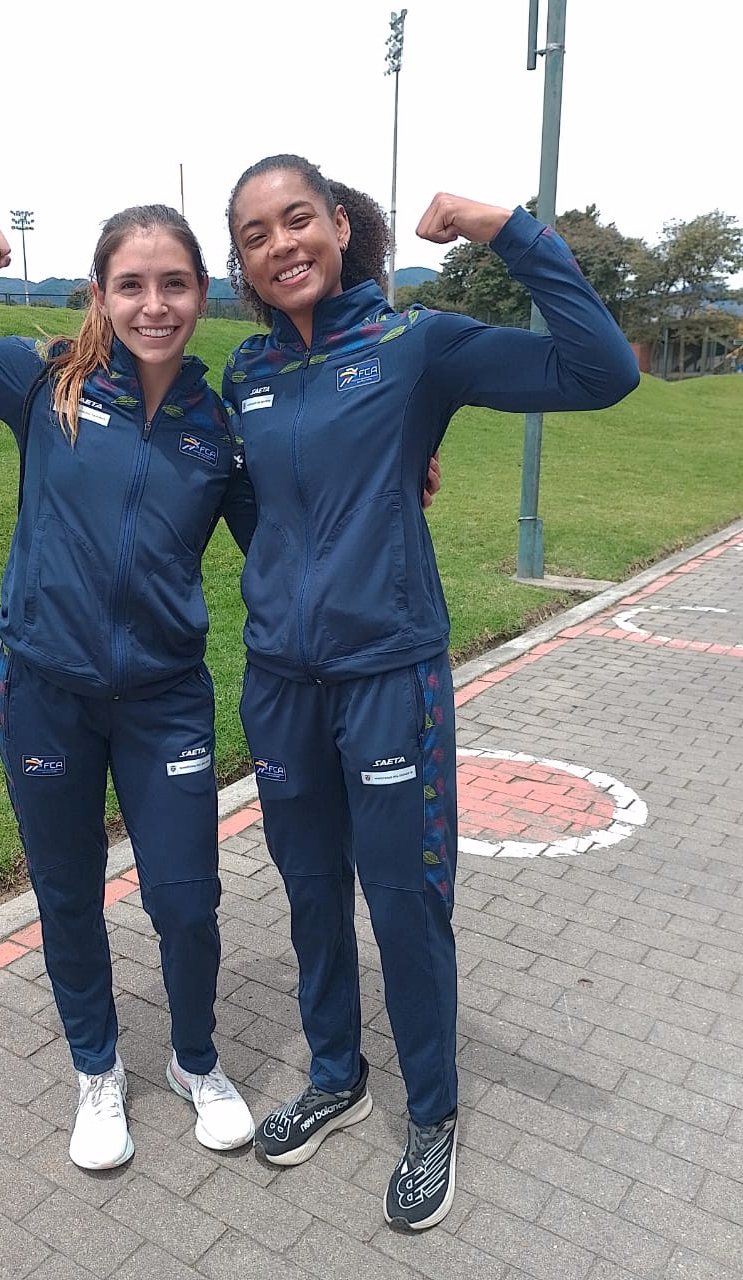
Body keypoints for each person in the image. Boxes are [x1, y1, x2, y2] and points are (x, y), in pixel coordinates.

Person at [222, 155, 640, 1231]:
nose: (283, 245)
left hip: (388, 677)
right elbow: (255, 499)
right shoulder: (248, 373)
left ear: (339, 227)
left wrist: (511, 229)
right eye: (258, 233)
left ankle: (433, 1113)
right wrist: (282, 576)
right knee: (312, 888)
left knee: (405, 902)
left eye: (299, 219)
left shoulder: (419, 345)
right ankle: (334, 1074)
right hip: (281, 684)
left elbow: (601, 371)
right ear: (245, 260)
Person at [0, 206, 260, 1171]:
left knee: (187, 898)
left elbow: (283, 536)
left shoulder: (214, 423)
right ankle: (97, 1070)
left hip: (164, 700)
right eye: (132, 286)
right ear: (99, 294)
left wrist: (403, 470)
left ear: (203, 292)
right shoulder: (43, 377)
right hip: (44, 693)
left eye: (176, 285)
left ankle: (196, 1062)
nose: (155, 306)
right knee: (68, 894)